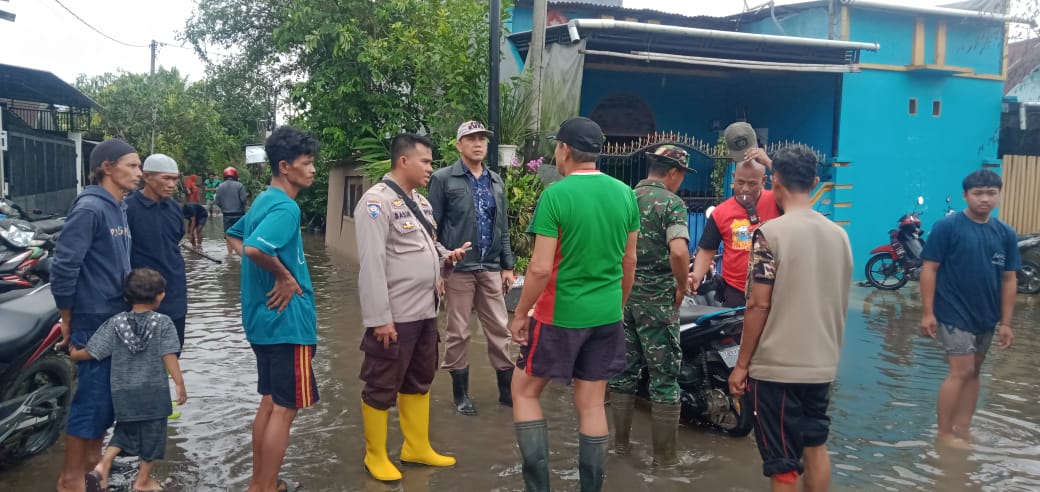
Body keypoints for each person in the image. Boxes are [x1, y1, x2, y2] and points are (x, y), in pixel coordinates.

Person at [509, 117, 639, 492]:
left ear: (564, 150)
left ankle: (538, 488)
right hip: (607, 315)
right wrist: (618, 303)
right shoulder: (624, 193)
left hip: (559, 315)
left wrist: (520, 314)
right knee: (592, 404)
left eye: (556, 147)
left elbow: (538, 268)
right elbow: (628, 262)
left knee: (524, 391)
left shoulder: (556, 195)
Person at [727, 145, 852, 492]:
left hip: (778, 368)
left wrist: (741, 365)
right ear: (814, 182)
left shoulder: (770, 234)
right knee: (815, 446)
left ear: (774, 181)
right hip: (822, 365)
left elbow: (757, 305)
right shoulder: (840, 235)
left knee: (782, 464)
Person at [354, 133, 470, 482]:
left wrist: (447, 258)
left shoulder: (421, 203)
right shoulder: (375, 203)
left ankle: (415, 447)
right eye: (426, 161)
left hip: (425, 311)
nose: (431, 169)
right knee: (381, 383)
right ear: (403, 161)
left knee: (420, 379)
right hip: (395, 316)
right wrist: (379, 320)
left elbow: (427, 245)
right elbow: (371, 265)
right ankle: (375, 455)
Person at [226, 126, 320, 492]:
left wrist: (262, 273)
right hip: (288, 323)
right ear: (285, 166)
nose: (312, 170)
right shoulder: (286, 206)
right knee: (285, 408)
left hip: (260, 321)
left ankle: (259, 484)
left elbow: (236, 236)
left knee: (269, 403)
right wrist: (281, 276)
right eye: (307, 163)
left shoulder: (264, 200)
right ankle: (265, 488)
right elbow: (254, 249)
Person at [51, 138, 141, 492]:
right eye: (132, 165)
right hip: (93, 316)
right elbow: (64, 266)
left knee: (106, 401)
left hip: (116, 314)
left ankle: (92, 467)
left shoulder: (118, 206)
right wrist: (67, 319)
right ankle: (70, 479)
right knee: (91, 400)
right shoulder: (90, 208)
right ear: (107, 167)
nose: (139, 173)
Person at [919, 169, 1019, 449]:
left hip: (986, 315)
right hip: (953, 311)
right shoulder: (947, 227)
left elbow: (1010, 279)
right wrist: (928, 312)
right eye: (978, 193)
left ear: (999, 195)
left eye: (991, 193)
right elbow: (930, 268)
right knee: (959, 371)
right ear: (966, 196)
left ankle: (963, 428)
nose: (984, 199)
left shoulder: (1005, 233)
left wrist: (1007, 323)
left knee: (975, 372)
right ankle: (944, 433)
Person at [608, 145, 692, 467]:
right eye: (681, 175)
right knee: (664, 379)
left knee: (623, 373)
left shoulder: (624, 197)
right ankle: (666, 462)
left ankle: (620, 449)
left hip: (621, 298)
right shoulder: (672, 204)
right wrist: (682, 285)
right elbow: (679, 253)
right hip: (658, 303)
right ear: (672, 172)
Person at [69, 268, 187, 492]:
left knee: (124, 432)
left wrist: (75, 355)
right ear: (160, 295)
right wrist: (179, 384)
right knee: (153, 436)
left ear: (126, 297)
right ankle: (143, 482)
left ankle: (102, 468)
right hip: (153, 392)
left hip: (123, 392)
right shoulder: (163, 323)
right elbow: (169, 355)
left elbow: (94, 351)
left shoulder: (116, 322)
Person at [428, 120, 517, 416]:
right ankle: (461, 395)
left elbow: (502, 225)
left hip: (490, 266)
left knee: (500, 329)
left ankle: (507, 393)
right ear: (459, 145)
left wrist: (507, 265)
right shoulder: (443, 179)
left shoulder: (495, 180)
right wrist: (439, 268)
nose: (478, 143)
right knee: (458, 331)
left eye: (482, 138)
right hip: (458, 268)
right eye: (471, 139)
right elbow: (433, 228)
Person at [689, 122, 780, 307]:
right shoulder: (721, 212)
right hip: (735, 292)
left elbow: (796, 191)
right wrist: (696, 276)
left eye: (752, 183)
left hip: (775, 292)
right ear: (733, 179)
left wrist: (770, 163)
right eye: (740, 182)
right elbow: (707, 250)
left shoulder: (778, 202)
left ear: (764, 180)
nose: (745, 188)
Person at [125, 154, 189, 352]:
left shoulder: (175, 209)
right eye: (166, 178)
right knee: (143, 359)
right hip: (142, 297)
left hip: (175, 294)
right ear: (147, 177)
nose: (171, 184)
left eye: (175, 179)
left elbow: (177, 238)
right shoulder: (128, 209)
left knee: (173, 353)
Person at [216, 166, 248, 255]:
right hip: (239, 214)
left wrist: (224, 207)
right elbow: (243, 200)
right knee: (240, 235)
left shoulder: (220, 186)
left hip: (227, 215)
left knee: (228, 235)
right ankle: (241, 255)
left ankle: (230, 255)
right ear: (235, 175)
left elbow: (217, 201)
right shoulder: (239, 185)